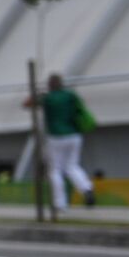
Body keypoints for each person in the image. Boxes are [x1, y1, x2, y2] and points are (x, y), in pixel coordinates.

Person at [35, 73, 96, 210]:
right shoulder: (71, 95)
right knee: (72, 166)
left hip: (56, 137)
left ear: (50, 85)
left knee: (55, 170)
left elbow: (28, 103)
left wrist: (39, 95)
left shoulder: (48, 98)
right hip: (74, 135)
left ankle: (60, 204)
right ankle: (86, 188)